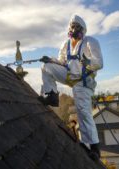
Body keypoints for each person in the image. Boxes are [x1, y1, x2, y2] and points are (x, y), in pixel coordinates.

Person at [38, 14, 103, 161]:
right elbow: (61, 61)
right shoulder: (65, 44)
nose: (74, 29)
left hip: (83, 81)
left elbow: (99, 63)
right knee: (46, 67)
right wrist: (50, 60)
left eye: (77, 27)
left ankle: (94, 147)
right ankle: (52, 96)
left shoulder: (90, 42)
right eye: (72, 26)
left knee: (83, 112)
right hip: (69, 76)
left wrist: (87, 62)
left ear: (83, 29)